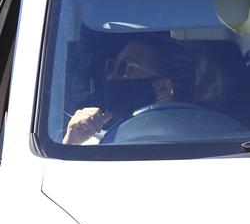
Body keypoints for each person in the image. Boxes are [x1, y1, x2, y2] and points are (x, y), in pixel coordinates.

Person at [62, 35, 222, 145]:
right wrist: (73, 142)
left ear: (163, 88)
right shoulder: (92, 142)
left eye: (125, 67)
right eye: (112, 66)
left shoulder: (220, 140)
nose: (110, 77)